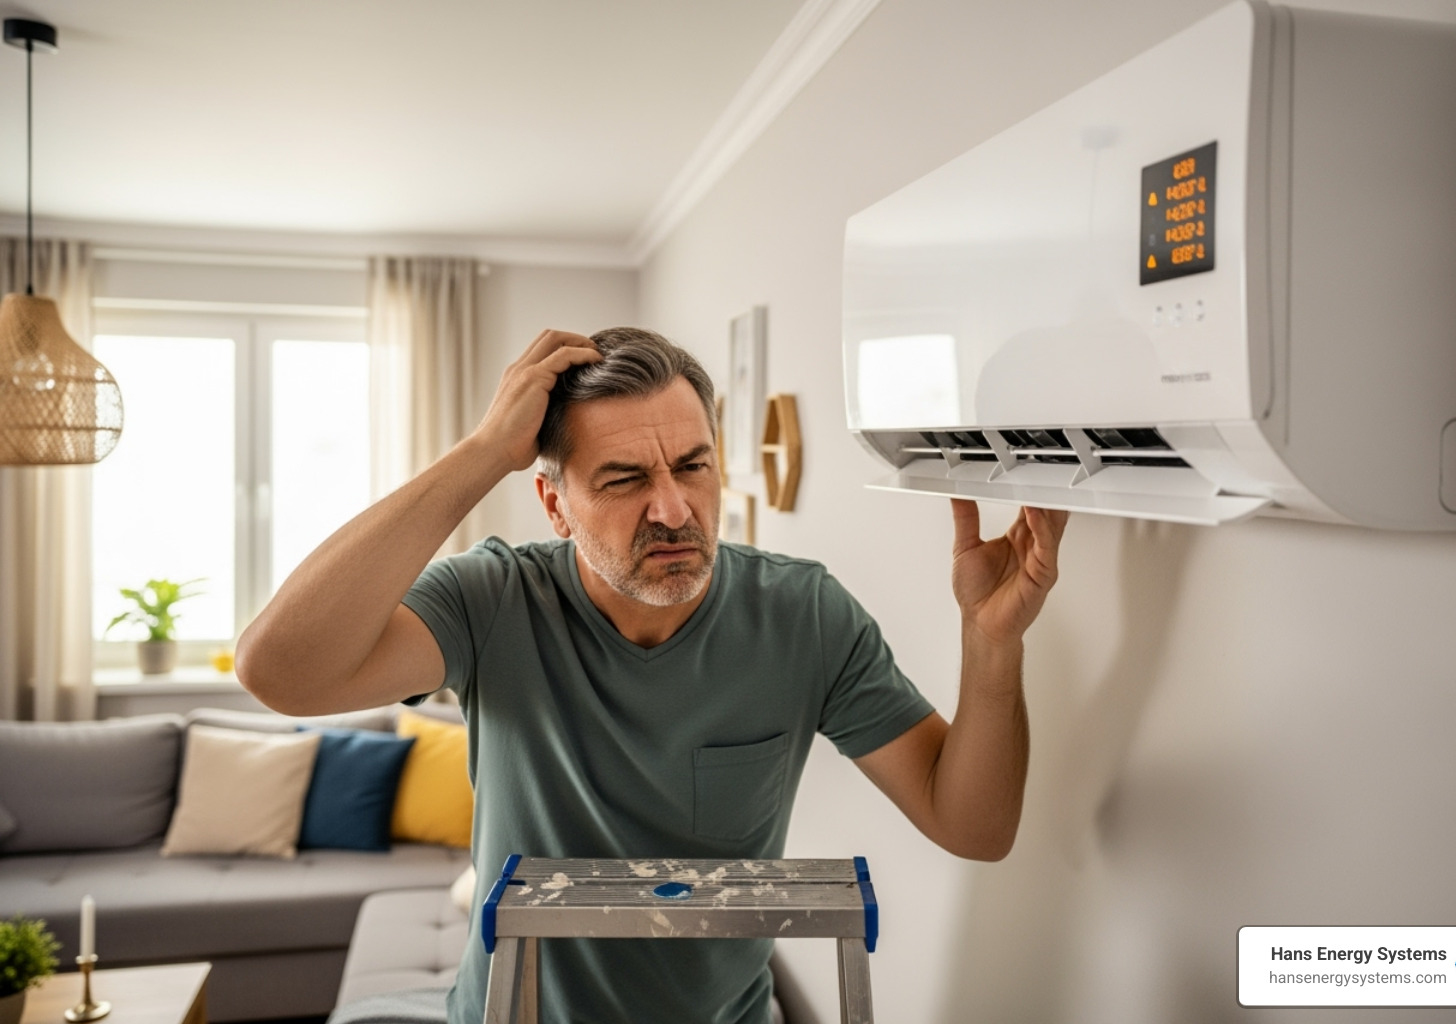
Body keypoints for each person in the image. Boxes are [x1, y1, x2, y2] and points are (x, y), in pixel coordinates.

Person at [237, 326, 1068, 1024]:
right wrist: (485, 449)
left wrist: (991, 643)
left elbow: (975, 829)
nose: (671, 510)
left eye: (693, 467)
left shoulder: (803, 613)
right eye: (625, 479)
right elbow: (280, 673)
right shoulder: (493, 598)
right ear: (555, 504)